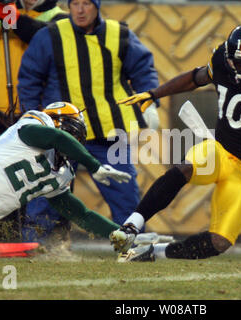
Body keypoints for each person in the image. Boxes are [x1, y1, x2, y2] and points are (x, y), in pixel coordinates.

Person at [110, 24, 241, 262]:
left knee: (220, 242)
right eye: (239, 61)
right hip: (218, 150)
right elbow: (194, 78)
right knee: (184, 168)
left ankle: (152, 253)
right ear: (229, 56)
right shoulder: (221, 61)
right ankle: (130, 227)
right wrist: (154, 93)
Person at [17, 0, 159, 243]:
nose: (80, 10)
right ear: (69, 6)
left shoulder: (120, 34)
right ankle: (38, 245)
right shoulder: (50, 35)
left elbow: (143, 70)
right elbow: (29, 78)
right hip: (62, 133)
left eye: (86, 4)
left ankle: (134, 246)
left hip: (109, 133)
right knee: (47, 191)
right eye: (75, 4)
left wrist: (150, 102)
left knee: (125, 194)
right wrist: (32, 116)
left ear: (97, 6)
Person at [0, 0, 68, 242]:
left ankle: (45, 237)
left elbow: (44, 40)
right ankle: (1, 237)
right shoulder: (3, 11)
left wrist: (16, 20)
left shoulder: (59, 18)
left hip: (39, 111)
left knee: (41, 174)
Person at [0, 101, 131, 242]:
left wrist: (122, 235)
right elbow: (58, 138)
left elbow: (82, 215)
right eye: (73, 133)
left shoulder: (59, 172)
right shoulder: (28, 128)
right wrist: (94, 166)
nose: (75, 140)